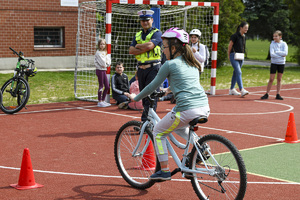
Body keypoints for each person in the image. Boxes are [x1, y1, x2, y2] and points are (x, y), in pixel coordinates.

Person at [129, 28, 210, 181]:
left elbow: (151, 86)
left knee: (158, 132)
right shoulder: (191, 63)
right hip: (204, 107)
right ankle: (201, 147)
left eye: (164, 47)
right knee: (178, 126)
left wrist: (136, 97)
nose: (162, 51)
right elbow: (185, 83)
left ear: (173, 48)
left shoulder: (170, 64)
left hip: (187, 110)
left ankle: (164, 170)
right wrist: (167, 89)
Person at [129, 10, 163, 121]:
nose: (145, 22)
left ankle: (147, 121)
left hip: (153, 68)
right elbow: (131, 50)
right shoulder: (138, 34)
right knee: (144, 96)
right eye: (142, 20)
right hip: (141, 70)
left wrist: (138, 46)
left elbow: (150, 46)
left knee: (151, 96)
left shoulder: (157, 33)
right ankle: (148, 121)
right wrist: (143, 47)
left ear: (152, 20)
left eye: (147, 20)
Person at [261, 30, 288, 100]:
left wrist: (277, 52)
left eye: (276, 36)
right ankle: (267, 93)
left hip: (281, 63)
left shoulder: (284, 44)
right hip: (274, 63)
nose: (274, 38)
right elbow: (272, 54)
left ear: (280, 37)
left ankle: (278, 94)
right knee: (271, 79)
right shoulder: (272, 44)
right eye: (273, 36)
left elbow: (285, 53)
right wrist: (280, 55)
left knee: (279, 79)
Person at [227, 22, 250, 97]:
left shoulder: (244, 36)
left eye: (247, 28)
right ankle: (242, 89)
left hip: (241, 56)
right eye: (245, 28)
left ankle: (231, 89)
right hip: (234, 55)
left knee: (236, 72)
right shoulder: (235, 36)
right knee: (239, 72)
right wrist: (228, 55)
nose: (247, 29)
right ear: (241, 28)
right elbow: (230, 46)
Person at [95, 38, 111, 107]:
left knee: (107, 86)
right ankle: (99, 101)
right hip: (99, 70)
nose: (102, 45)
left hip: (104, 70)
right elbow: (103, 62)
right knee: (101, 85)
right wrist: (106, 64)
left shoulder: (105, 53)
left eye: (103, 44)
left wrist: (107, 64)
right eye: (101, 44)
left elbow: (108, 61)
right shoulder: (98, 53)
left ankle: (103, 100)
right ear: (99, 45)